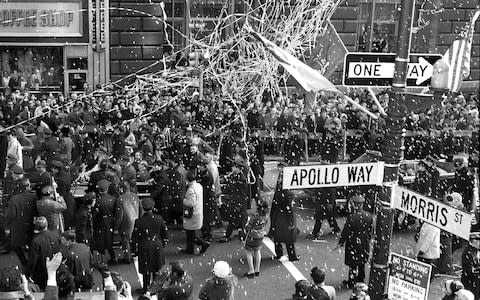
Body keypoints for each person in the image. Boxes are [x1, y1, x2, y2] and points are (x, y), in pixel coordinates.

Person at [132, 197, 168, 294]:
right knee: (156, 268)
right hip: (157, 245)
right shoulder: (159, 218)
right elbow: (164, 233)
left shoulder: (138, 221)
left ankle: (146, 288)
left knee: (146, 270)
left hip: (144, 246)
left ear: (142, 208)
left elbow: (134, 237)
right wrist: (163, 243)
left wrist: (133, 251)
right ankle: (156, 288)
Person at [337, 195, 373, 288]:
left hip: (353, 243)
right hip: (364, 242)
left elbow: (346, 231)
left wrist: (341, 242)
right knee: (362, 262)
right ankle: (361, 279)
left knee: (353, 264)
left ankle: (351, 282)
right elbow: (370, 230)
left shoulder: (352, 217)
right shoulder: (368, 216)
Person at [270, 165, 300, 261]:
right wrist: (291, 222)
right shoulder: (288, 193)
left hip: (277, 215)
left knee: (277, 236)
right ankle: (292, 256)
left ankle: (279, 253)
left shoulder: (279, 190)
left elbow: (275, 202)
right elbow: (289, 209)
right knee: (289, 237)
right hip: (285, 217)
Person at [6, 178, 37, 266]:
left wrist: (7, 225)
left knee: (16, 246)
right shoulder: (34, 196)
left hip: (18, 226)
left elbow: (11, 215)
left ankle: (24, 263)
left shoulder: (14, 199)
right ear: (28, 186)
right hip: (31, 224)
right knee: (32, 245)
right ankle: (33, 263)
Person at [91, 179, 122, 265]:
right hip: (110, 223)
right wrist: (116, 226)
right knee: (109, 242)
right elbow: (117, 213)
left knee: (100, 243)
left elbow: (94, 215)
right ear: (107, 188)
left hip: (99, 223)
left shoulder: (97, 201)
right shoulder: (113, 199)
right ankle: (113, 257)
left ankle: (101, 261)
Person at [27, 216, 61, 290]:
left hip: (41, 274)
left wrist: (28, 274)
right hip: (55, 270)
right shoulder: (56, 237)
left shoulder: (36, 241)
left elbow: (33, 260)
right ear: (47, 225)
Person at [219, 161, 249, 243]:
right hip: (236, 201)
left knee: (233, 219)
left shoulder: (241, 179)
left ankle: (228, 235)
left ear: (238, 168)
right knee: (238, 219)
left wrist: (238, 204)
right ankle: (241, 234)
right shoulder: (235, 176)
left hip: (238, 202)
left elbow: (241, 193)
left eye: (233, 167)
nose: (232, 168)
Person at [182, 169, 209, 254]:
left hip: (192, 214)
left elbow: (191, 203)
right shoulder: (199, 186)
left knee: (191, 234)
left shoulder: (191, 190)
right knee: (192, 233)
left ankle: (202, 244)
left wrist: (184, 200)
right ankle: (190, 249)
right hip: (198, 212)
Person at [118, 181, 142, 264]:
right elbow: (141, 209)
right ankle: (136, 254)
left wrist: (117, 226)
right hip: (136, 220)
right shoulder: (135, 196)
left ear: (121, 189)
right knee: (135, 240)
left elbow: (120, 215)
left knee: (126, 241)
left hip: (126, 222)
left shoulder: (120, 199)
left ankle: (127, 258)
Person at [243, 200, 268, 278]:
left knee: (248, 252)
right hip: (260, 236)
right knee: (257, 251)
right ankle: (257, 269)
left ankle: (251, 270)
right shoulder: (265, 217)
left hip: (252, 236)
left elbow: (248, 227)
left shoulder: (254, 216)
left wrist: (246, 226)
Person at [461, 232, 480, 300]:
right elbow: (468, 270)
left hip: (474, 283)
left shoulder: (475, 251)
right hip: (470, 284)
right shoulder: (468, 252)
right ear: (474, 241)